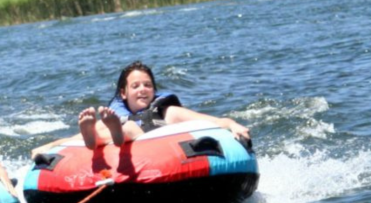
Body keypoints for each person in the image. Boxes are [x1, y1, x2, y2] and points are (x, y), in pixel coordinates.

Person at [33, 61, 250, 154]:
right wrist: (50, 145)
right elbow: (71, 142)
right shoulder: (114, 115)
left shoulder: (168, 112)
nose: (142, 89)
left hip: (144, 138)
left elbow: (210, 121)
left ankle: (116, 133)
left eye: (147, 85)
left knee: (128, 129)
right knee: (103, 127)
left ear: (154, 91)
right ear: (123, 93)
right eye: (135, 86)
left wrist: (232, 124)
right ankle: (93, 136)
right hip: (112, 134)